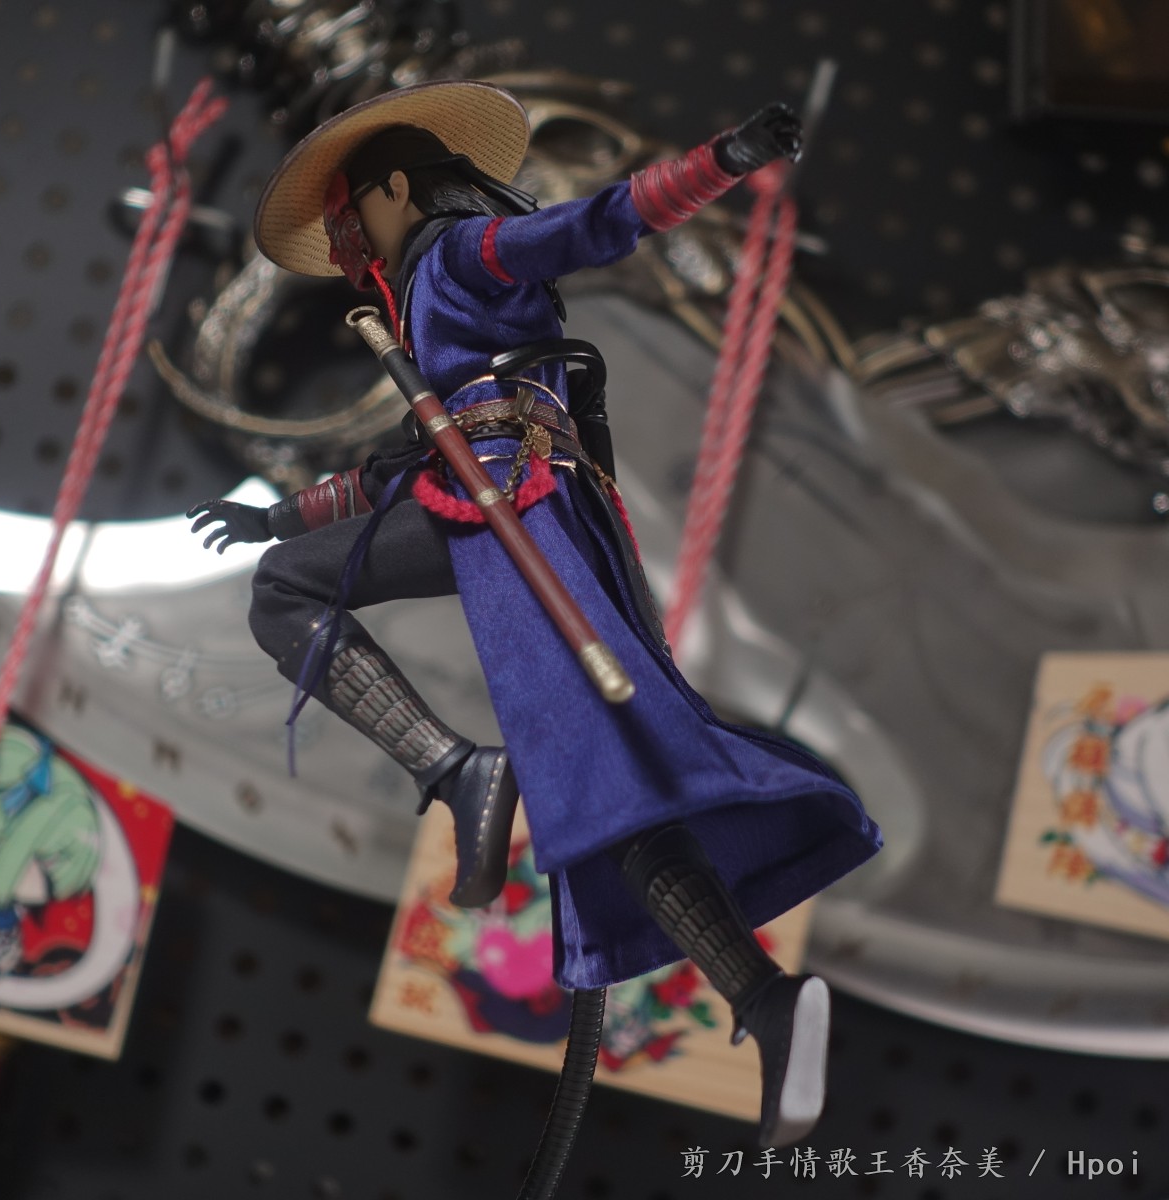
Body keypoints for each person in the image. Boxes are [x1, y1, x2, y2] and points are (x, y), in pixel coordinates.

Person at [188, 80, 882, 1145]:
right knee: (601, 785)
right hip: (479, 499)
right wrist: (279, 515)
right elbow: (401, 464)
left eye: (349, 212)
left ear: (394, 187)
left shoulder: (461, 254)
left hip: (517, 512)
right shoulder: (423, 306)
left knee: (600, 771)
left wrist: (722, 160)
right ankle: (755, 991)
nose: (347, 241)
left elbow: (593, 225)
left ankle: (473, 781)